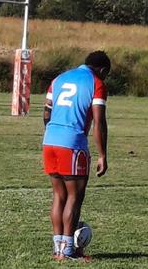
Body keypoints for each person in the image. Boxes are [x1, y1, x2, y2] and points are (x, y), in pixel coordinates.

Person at [42, 50, 110, 261]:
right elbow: (99, 122)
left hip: (50, 140)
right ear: (103, 70)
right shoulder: (96, 83)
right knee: (74, 197)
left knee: (59, 196)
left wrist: (54, 133)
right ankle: (68, 250)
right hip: (72, 144)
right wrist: (102, 154)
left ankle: (58, 250)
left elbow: (46, 113)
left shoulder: (59, 78)